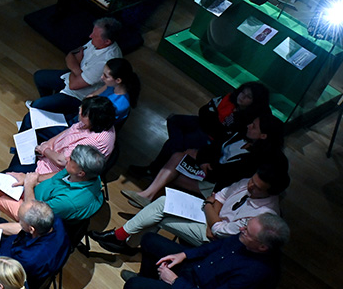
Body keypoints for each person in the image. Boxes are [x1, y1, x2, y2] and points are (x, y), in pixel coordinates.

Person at [104, 214, 289, 289]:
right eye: (246, 225)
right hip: (196, 271)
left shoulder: (256, 273)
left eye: (247, 231)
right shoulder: (246, 239)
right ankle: (148, 279)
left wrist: (175, 281)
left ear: (263, 247)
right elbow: (214, 248)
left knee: (133, 287)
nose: (241, 229)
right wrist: (184, 255)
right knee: (150, 240)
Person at [92, 159, 288, 254]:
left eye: (257, 187)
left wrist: (211, 210)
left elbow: (219, 233)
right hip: (210, 219)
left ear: (271, 192)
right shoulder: (248, 182)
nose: (250, 186)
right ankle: (124, 241)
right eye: (252, 181)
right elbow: (219, 195)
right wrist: (213, 212)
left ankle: (121, 239)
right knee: (163, 202)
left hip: (216, 240)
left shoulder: (264, 215)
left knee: (162, 215)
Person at [122, 113, 283, 209]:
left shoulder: (256, 159)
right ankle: (147, 195)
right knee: (177, 157)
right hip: (209, 169)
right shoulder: (240, 135)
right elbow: (215, 146)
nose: (249, 126)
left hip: (216, 183)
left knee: (170, 172)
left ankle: (151, 197)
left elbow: (229, 175)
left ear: (264, 136)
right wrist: (204, 159)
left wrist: (207, 163)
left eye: (254, 127)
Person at [128, 81, 271, 177]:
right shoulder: (230, 98)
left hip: (211, 139)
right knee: (174, 120)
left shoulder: (249, 120)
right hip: (204, 125)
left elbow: (221, 134)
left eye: (248, 97)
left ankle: (153, 169)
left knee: (172, 143)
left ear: (255, 102)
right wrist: (214, 121)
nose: (242, 97)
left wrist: (213, 120)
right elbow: (204, 110)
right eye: (242, 93)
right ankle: (178, 150)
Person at [30, 17, 123, 116]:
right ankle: (51, 105)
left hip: (79, 95)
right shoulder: (97, 43)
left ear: (107, 41)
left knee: (36, 106)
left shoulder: (105, 62)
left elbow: (73, 86)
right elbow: (70, 55)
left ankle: (57, 109)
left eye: (95, 35)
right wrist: (77, 71)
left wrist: (74, 66)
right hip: (72, 77)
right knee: (39, 77)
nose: (90, 36)